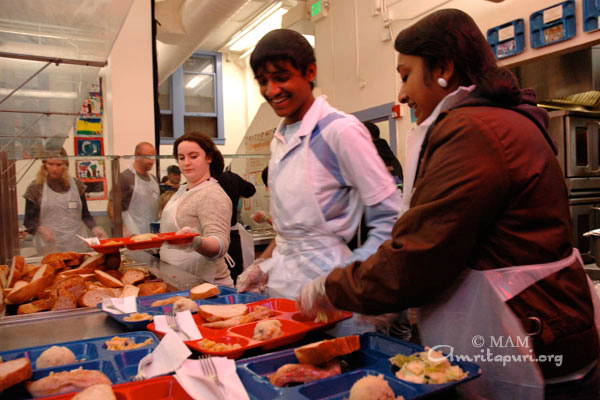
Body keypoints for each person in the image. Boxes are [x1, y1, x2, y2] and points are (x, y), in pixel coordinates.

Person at [298, 9, 600, 400]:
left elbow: (420, 255)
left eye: (406, 75)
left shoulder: (474, 130)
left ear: (443, 67)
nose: (402, 94)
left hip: (532, 337)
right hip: (549, 326)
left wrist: (331, 287)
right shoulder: (497, 120)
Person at [237, 29, 402, 335]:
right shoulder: (280, 138)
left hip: (333, 298)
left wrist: (345, 281)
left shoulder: (340, 131)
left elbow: (391, 220)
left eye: (281, 77)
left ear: (310, 72)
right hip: (284, 295)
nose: (272, 90)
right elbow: (293, 229)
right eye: (263, 81)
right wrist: (263, 263)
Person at [159, 132, 234, 287]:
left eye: (193, 157)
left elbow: (220, 245)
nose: (186, 163)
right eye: (181, 158)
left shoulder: (212, 194)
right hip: (181, 281)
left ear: (209, 158)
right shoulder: (183, 190)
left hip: (209, 286)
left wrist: (194, 241)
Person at [23, 148, 107, 255]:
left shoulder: (77, 185)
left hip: (76, 243)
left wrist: (94, 227)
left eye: (59, 165)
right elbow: (28, 221)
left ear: (66, 165)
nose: (54, 169)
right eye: (50, 164)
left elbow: (85, 214)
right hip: (49, 245)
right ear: (44, 165)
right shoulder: (36, 188)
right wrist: (40, 229)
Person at [108, 142, 159, 236]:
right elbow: (112, 208)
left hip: (151, 236)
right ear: (138, 155)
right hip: (131, 237)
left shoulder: (154, 180)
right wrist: (123, 230)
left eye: (154, 157)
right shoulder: (125, 178)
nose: (152, 161)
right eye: (149, 157)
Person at [217, 170, 256, 284]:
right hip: (231, 239)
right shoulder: (231, 178)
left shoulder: (198, 182)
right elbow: (250, 190)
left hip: (212, 240)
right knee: (232, 281)